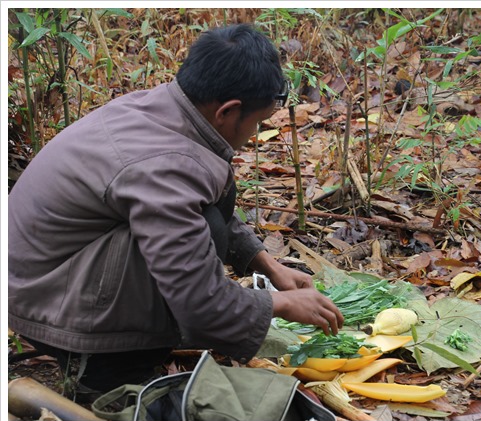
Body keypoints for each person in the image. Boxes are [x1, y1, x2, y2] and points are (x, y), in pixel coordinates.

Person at [8, 24, 344, 399]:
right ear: (228, 111)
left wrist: (269, 265)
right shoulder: (165, 164)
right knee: (204, 237)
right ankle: (99, 370)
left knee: (209, 224)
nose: (255, 132)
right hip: (46, 299)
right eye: (258, 123)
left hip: (45, 275)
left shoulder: (163, 107)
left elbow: (193, 204)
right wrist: (280, 304)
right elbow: (201, 303)